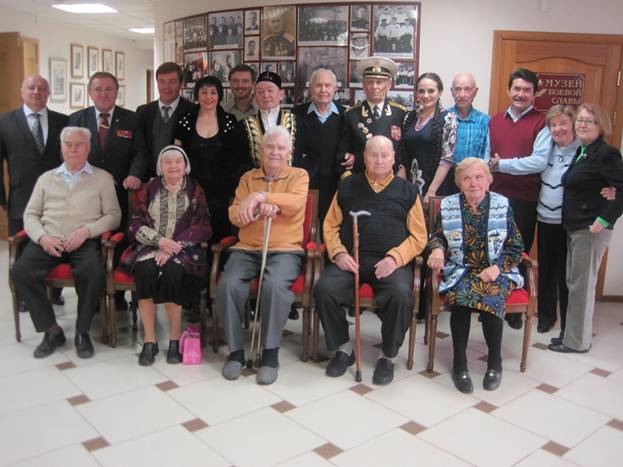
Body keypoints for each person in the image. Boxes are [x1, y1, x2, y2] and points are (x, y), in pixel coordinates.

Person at [314, 135, 427, 385]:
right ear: (364, 157)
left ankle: (388, 355)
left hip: (390, 263)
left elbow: (419, 237)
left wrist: (395, 258)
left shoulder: (408, 191)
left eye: (385, 155)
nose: (379, 160)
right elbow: (330, 225)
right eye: (373, 155)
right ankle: (343, 348)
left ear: (393, 158)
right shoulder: (347, 186)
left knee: (401, 295)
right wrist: (339, 253)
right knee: (324, 289)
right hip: (351, 259)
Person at [10, 127, 121, 359]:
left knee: (93, 272)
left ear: (88, 148)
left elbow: (113, 216)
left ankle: (82, 332)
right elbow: (30, 215)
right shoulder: (46, 179)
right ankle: (52, 331)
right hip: (48, 240)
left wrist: (86, 231)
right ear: (61, 147)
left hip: (83, 241)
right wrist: (42, 237)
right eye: (68, 144)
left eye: (79, 144)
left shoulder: (102, 178)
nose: (73, 149)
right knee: (20, 271)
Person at [217, 126, 309, 385]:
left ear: (289, 151)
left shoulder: (299, 175)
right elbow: (234, 214)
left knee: (274, 286)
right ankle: (235, 351)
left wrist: (262, 196)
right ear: (261, 150)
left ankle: (270, 353)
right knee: (228, 285)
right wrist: (256, 210)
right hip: (247, 248)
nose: (275, 152)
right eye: (270, 147)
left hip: (285, 250)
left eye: (281, 148)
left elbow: (295, 204)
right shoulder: (248, 178)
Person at [427, 158, 524, 393]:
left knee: (491, 298)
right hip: (461, 269)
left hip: (496, 270)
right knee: (460, 300)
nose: (473, 183)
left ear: (488, 181)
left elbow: (516, 246)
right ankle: (459, 363)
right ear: (459, 183)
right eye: (467, 178)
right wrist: (437, 249)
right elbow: (437, 236)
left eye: (479, 177)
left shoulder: (502, 204)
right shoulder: (449, 205)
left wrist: (497, 268)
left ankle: (495, 362)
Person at [491, 105, 580, 335]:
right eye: (553, 125)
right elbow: (535, 163)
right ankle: (547, 317)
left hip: (571, 220)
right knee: (547, 268)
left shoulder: (583, 150)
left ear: (574, 124)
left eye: (563, 124)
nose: (558, 129)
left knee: (568, 272)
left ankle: (570, 324)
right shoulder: (548, 147)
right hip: (546, 216)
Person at [123, 146, 211, 365]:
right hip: (152, 246)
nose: (173, 166)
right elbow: (134, 224)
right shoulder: (149, 189)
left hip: (183, 249)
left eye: (178, 161)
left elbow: (203, 226)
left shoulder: (195, 190)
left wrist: (173, 246)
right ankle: (150, 341)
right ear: (160, 167)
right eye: (168, 162)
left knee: (174, 272)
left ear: (185, 166)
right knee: (144, 271)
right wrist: (160, 242)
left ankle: (174, 340)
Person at [69, 71, 148, 310]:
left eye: (109, 89)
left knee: (120, 242)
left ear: (116, 92)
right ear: (90, 93)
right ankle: (91, 297)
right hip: (87, 197)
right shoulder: (76, 119)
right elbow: (68, 155)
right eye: (98, 89)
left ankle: (119, 296)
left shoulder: (132, 119)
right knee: (89, 246)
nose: (103, 94)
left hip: (121, 194)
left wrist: (135, 174)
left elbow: (140, 152)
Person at [548, 104, 623, 354]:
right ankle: (570, 335)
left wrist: (603, 220)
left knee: (581, 288)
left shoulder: (606, 154)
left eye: (588, 121)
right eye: (579, 120)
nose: (582, 125)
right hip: (576, 227)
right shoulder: (584, 151)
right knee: (575, 283)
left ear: (601, 126)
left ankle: (576, 342)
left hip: (590, 229)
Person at [0, 75, 68, 307]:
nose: (36, 92)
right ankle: (22, 297)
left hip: (56, 199)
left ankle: (55, 292)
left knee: (55, 244)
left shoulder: (63, 121)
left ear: (48, 93)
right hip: (21, 197)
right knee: (20, 249)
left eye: (41, 88)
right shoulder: (5, 122)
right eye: (31, 88)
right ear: (22, 92)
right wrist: (2, 197)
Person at [174, 76, 237, 244]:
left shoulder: (229, 121)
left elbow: (233, 159)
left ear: (219, 95)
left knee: (219, 235)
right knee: (191, 233)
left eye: (213, 92)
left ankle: (218, 260)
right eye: (204, 92)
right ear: (197, 95)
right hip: (190, 189)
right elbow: (176, 154)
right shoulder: (184, 120)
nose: (209, 97)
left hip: (221, 191)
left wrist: (233, 191)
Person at [293, 68, 345, 227]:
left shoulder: (346, 116)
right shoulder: (295, 115)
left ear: (335, 89)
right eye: (318, 85)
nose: (323, 90)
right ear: (310, 88)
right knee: (301, 231)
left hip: (335, 186)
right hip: (303, 186)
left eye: (328, 85)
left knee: (330, 233)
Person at [338, 56, 407, 175]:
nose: (374, 86)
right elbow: (342, 152)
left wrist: (402, 171)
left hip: (392, 178)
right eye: (370, 82)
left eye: (379, 82)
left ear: (388, 85)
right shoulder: (351, 115)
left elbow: (405, 150)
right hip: (361, 178)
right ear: (364, 85)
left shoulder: (400, 113)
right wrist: (348, 161)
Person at [399, 72, 458, 203]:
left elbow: (447, 159)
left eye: (431, 91)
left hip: (437, 187)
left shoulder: (448, 119)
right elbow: (403, 153)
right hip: (410, 184)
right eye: (421, 91)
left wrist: (432, 190)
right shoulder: (409, 117)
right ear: (416, 93)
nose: (426, 95)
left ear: (440, 92)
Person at [136, 62, 195, 179]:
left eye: (172, 82)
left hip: (182, 180)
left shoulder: (192, 111)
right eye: (162, 82)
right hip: (149, 180)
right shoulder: (143, 112)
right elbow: (139, 149)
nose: (166, 87)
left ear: (181, 84)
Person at [235, 71, 296, 173]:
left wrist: (296, 175)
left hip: (291, 181)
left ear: (281, 94)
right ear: (255, 96)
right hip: (255, 181)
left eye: (270, 90)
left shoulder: (298, 122)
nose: (265, 95)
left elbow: (311, 156)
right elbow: (235, 161)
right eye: (260, 92)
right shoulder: (243, 126)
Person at [448, 73, 490, 163]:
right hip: (446, 171)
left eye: (467, 89)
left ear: (475, 92)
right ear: (452, 92)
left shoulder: (485, 121)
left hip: (475, 171)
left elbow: (487, 156)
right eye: (458, 89)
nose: (462, 95)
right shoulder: (443, 118)